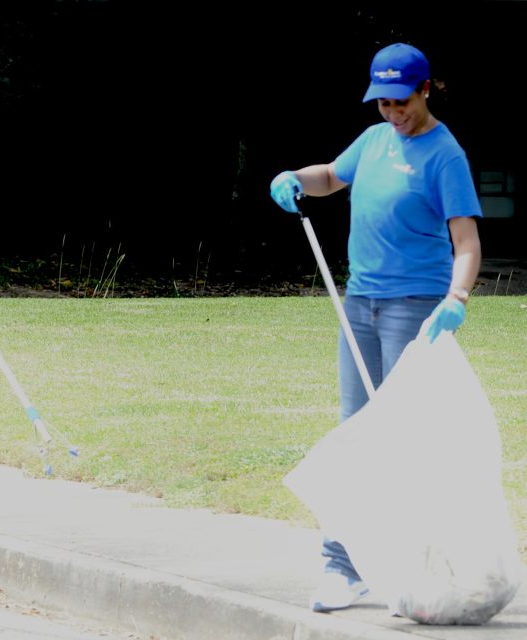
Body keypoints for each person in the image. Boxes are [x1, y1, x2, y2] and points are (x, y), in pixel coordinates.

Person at [269, 42, 482, 612]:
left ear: (426, 89)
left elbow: (467, 243)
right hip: (359, 304)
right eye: (383, 102)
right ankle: (344, 569)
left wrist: (456, 298)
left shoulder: (445, 155)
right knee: (355, 433)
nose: (392, 112)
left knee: (408, 438)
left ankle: (413, 570)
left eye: (401, 101)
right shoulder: (373, 140)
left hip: (416, 308)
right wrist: (294, 177)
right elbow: (330, 178)